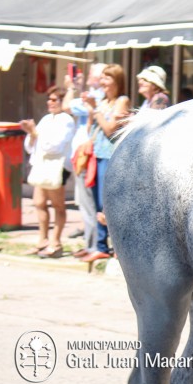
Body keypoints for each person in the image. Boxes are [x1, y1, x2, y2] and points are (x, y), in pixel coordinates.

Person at [81, 64, 130, 263]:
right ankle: (101, 245)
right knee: (96, 202)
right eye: (102, 78)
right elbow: (90, 129)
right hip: (97, 155)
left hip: (111, 156)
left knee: (108, 203)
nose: (103, 82)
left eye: (107, 78)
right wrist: (92, 111)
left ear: (117, 81)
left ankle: (116, 245)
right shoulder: (103, 101)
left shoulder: (122, 101)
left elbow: (110, 130)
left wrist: (96, 111)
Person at [20, 86, 75, 258]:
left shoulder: (66, 120)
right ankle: (42, 240)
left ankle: (56, 242)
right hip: (42, 166)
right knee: (39, 203)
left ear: (62, 101)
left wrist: (35, 133)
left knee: (58, 205)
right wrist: (31, 133)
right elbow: (31, 146)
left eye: (54, 99)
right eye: (49, 99)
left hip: (56, 167)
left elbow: (55, 147)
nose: (50, 102)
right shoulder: (46, 119)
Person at [62, 63, 105, 257]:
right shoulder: (92, 95)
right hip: (83, 155)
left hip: (90, 155)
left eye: (91, 73)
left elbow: (66, 106)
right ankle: (91, 244)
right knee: (86, 203)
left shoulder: (97, 97)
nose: (87, 76)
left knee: (91, 204)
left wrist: (71, 87)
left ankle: (95, 246)